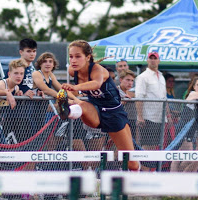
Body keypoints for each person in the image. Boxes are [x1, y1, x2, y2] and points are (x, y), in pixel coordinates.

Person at [56, 40, 139, 171]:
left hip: (113, 113)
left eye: (78, 56)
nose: (73, 60)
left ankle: (136, 180)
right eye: (71, 57)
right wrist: (68, 94)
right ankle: (68, 112)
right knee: (82, 105)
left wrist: (74, 87)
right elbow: (78, 91)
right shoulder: (72, 71)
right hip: (94, 109)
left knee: (131, 162)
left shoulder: (98, 70)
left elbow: (96, 84)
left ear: (88, 57)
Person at [170, 77, 198, 172]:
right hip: (184, 127)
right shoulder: (194, 94)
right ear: (194, 86)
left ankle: (187, 175)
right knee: (185, 156)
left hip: (197, 126)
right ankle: (174, 175)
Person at [135, 52, 171, 150]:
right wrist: (140, 117)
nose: (153, 60)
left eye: (155, 58)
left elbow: (164, 98)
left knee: (156, 146)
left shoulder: (161, 76)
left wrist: (168, 116)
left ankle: (149, 165)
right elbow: (139, 97)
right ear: (147, 60)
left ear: (158, 61)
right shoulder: (142, 77)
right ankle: (143, 165)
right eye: (151, 58)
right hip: (148, 117)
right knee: (147, 146)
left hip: (160, 117)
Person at [0, 59, 25, 144]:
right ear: (9, 74)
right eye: (16, 73)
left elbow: (16, 92)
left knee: (2, 150)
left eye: (21, 74)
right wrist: (3, 96)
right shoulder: (1, 85)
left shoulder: (16, 88)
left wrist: (18, 93)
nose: (19, 76)